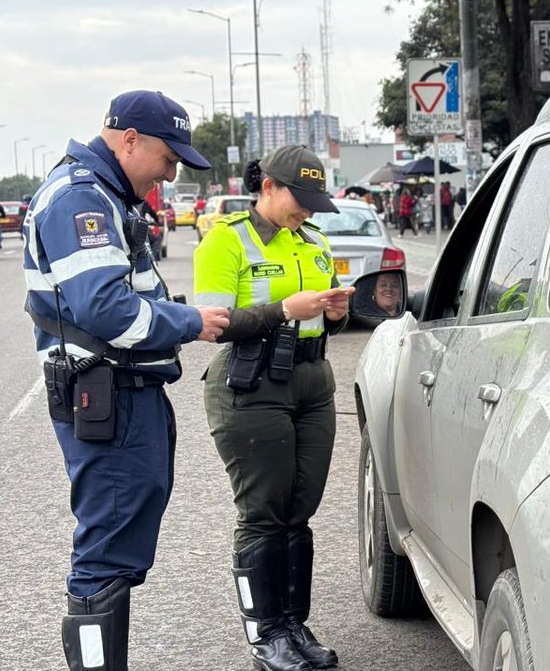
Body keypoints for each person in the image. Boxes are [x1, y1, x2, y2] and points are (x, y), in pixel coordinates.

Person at [22, 89, 230, 671]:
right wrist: (189, 321)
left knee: (120, 549)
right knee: (104, 558)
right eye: (168, 160)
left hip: (128, 396)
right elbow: (108, 311)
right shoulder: (80, 199)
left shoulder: (109, 195)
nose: (168, 176)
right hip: (106, 399)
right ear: (130, 140)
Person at [194, 145, 352, 671]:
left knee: (298, 512)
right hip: (250, 384)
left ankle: (293, 626)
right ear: (268, 187)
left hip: (311, 382)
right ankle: (267, 636)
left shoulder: (315, 242)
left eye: (313, 201)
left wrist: (335, 313)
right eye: (298, 198)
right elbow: (211, 324)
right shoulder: (227, 239)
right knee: (264, 514)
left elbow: (326, 320)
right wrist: (283, 309)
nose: (305, 210)